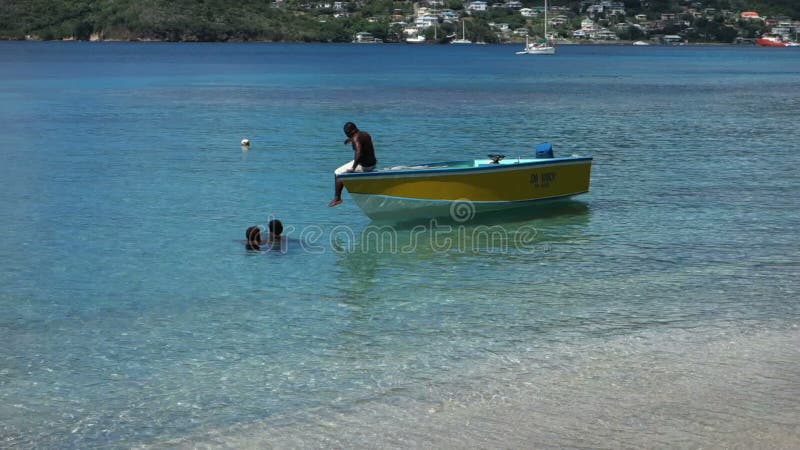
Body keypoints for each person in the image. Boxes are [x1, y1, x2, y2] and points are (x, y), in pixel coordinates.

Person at [328, 122, 377, 207]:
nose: (347, 135)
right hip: (372, 164)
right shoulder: (365, 134)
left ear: (352, 131)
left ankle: (337, 198)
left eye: (348, 134)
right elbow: (363, 142)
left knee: (338, 172)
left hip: (364, 166)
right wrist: (350, 139)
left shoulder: (355, 138)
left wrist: (353, 168)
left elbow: (359, 153)